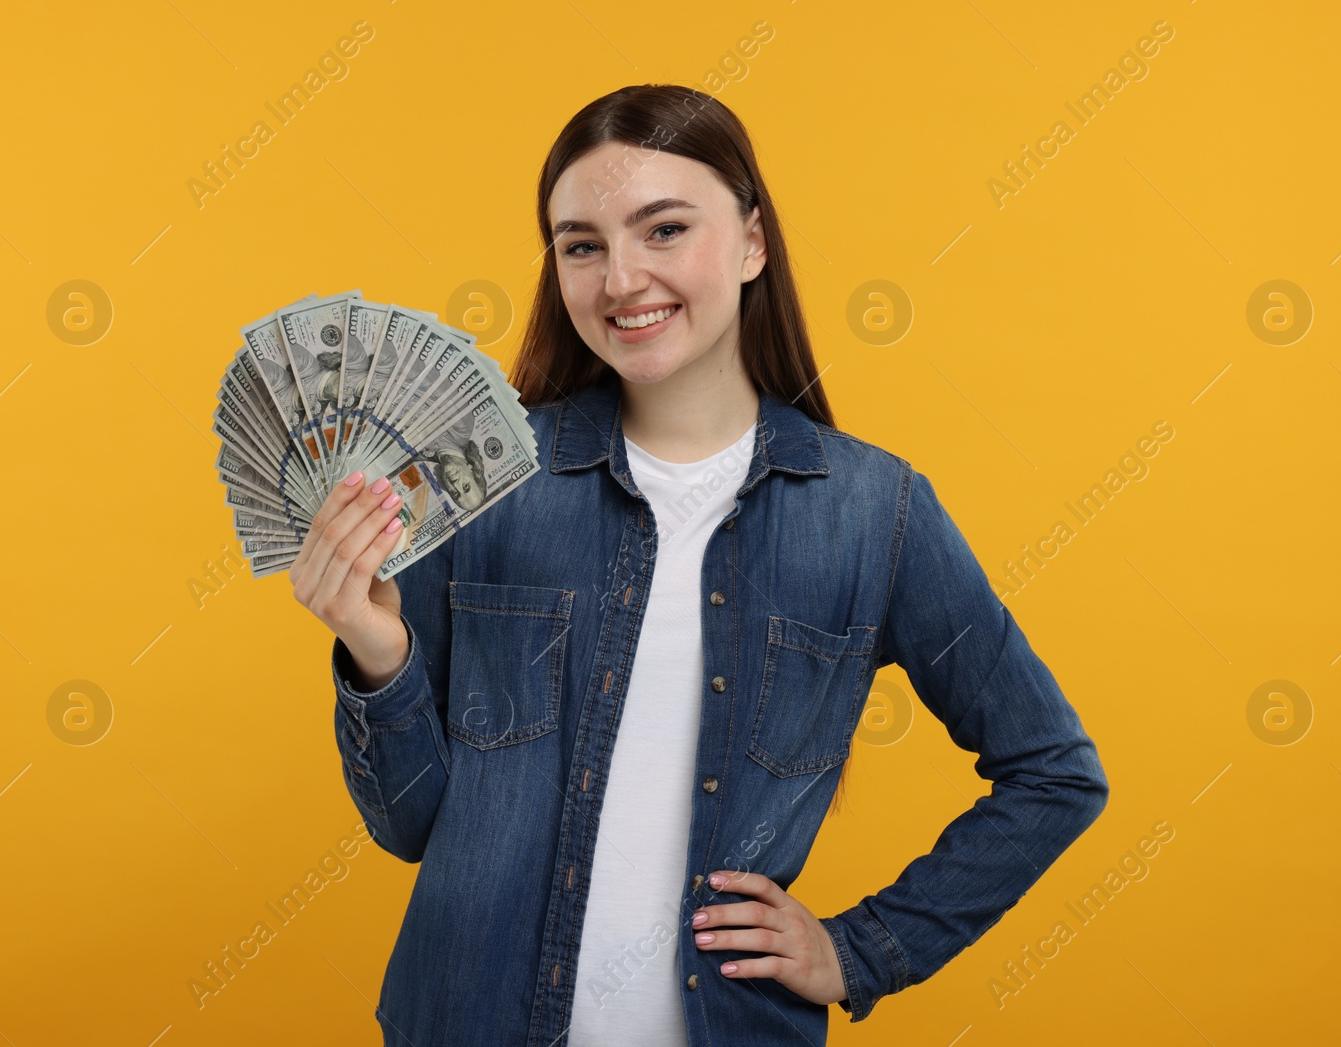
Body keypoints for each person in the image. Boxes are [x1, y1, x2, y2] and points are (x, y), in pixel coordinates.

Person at [287, 84, 1108, 1047]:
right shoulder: (481, 480)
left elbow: (1054, 771)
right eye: (581, 244)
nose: (622, 279)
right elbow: (415, 826)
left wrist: (861, 950)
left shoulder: (871, 512)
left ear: (754, 240)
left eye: (665, 229)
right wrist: (375, 653)